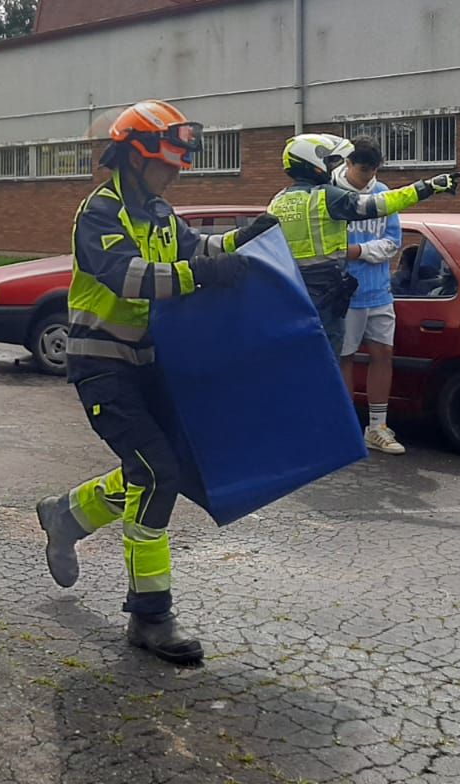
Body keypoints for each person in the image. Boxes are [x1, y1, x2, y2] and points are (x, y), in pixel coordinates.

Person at [34, 100, 279, 666]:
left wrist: (248, 238)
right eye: (166, 165)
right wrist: (204, 274)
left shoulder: (163, 215)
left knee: (159, 466)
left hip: (148, 364)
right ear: (133, 158)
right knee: (156, 473)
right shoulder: (100, 213)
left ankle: (67, 515)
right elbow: (129, 278)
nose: (173, 174)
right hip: (101, 364)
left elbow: (201, 251)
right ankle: (150, 615)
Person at [269, 133, 458, 368]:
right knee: (330, 364)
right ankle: (333, 406)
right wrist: (426, 187)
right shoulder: (326, 197)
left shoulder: (278, 201)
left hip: (293, 292)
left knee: (300, 362)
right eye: (328, 161)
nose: (331, 166)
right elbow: (377, 205)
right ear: (313, 164)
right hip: (326, 292)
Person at [334, 137, 407, 455]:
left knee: (383, 355)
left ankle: (377, 427)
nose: (368, 177)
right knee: (344, 359)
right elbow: (328, 247)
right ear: (348, 164)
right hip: (343, 294)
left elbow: (393, 241)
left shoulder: (383, 194)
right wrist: (351, 253)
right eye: (363, 170)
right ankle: (344, 427)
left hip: (379, 292)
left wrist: (360, 250)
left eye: (373, 170)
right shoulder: (331, 195)